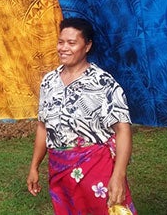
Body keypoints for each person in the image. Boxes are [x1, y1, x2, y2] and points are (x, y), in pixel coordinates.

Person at [27, 17, 137, 214]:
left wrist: (119, 176)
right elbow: (43, 126)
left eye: (72, 43)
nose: (64, 48)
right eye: (61, 42)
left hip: (96, 169)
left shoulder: (103, 83)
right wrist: (34, 166)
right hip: (59, 170)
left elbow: (123, 129)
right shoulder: (49, 82)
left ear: (87, 46)